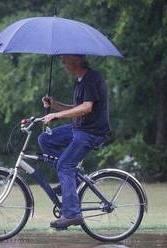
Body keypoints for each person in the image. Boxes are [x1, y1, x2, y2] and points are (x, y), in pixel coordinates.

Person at [38, 54, 111, 229]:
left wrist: (57, 115)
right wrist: (54, 105)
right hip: (79, 129)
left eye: (65, 59)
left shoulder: (92, 78)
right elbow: (75, 108)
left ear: (76, 60)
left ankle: (72, 214)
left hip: (92, 132)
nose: (62, 62)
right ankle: (73, 180)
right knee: (45, 139)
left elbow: (86, 108)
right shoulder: (80, 80)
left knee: (64, 165)